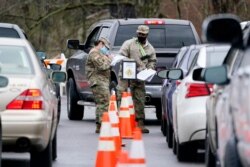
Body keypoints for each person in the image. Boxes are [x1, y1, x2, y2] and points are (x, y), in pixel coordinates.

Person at [116, 25, 157, 133]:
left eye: (143, 35)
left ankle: (140, 123)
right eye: (139, 34)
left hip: (140, 77)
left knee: (140, 99)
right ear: (136, 33)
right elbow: (120, 55)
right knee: (122, 96)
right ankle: (122, 122)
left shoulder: (150, 48)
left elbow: (152, 60)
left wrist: (150, 69)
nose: (141, 36)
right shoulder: (129, 43)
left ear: (147, 35)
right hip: (126, 75)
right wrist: (129, 62)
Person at [85, 37, 113, 133]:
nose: (106, 49)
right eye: (105, 47)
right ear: (101, 43)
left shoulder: (100, 53)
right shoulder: (94, 53)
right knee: (104, 102)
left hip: (101, 81)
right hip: (98, 81)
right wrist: (110, 60)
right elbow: (102, 66)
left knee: (101, 103)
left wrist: (107, 58)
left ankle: (99, 125)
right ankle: (102, 125)